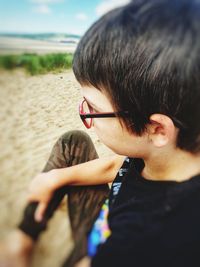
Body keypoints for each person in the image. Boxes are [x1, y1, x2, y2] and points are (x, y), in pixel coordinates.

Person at [2, 0, 200, 266]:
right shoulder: (165, 154)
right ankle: (22, 240)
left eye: (93, 108)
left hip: (100, 251)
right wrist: (55, 178)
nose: (86, 114)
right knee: (73, 142)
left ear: (157, 129)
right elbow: (119, 166)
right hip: (108, 221)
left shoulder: (149, 240)